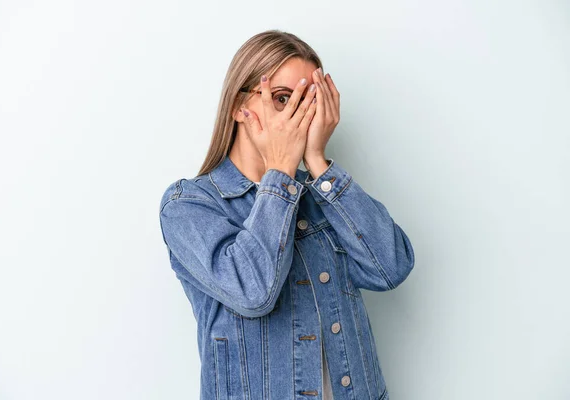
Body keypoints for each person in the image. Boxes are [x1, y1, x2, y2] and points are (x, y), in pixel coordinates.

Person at [159, 29, 415, 400]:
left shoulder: (320, 194)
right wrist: (279, 173)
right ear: (238, 105)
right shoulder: (189, 205)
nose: (297, 116)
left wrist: (316, 163)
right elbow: (253, 293)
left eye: (310, 102)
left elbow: (391, 268)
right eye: (282, 98)